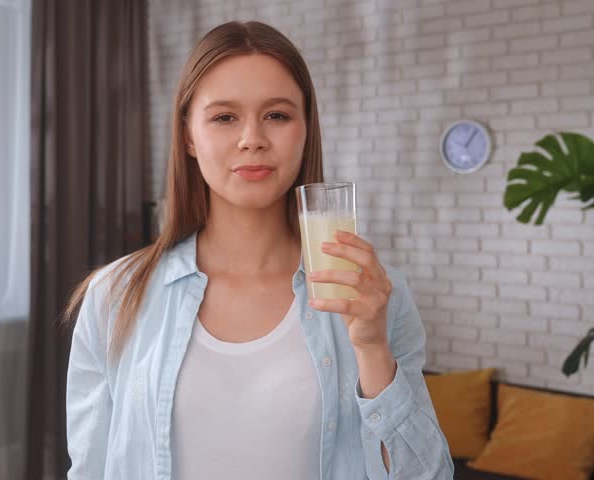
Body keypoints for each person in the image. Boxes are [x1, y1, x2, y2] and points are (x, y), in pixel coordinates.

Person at [64, 20, 453, 480]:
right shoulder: (115, 296)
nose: (253, 138)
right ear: (189, 136)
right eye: (224, 117)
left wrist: (371, 347)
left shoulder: (375, 296)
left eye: (277, 115)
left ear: (306, 130)